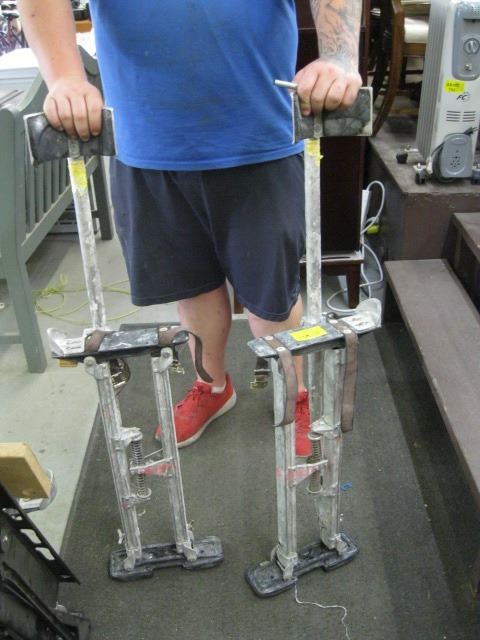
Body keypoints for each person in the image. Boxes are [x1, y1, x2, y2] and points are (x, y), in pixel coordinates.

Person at [18, 0, 362, 457]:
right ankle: (212, 385)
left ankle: (295, 392)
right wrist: (64, 76)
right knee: (192, 286)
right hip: (147, 135)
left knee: (271, 295)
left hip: (257, 131)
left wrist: (340, 55)